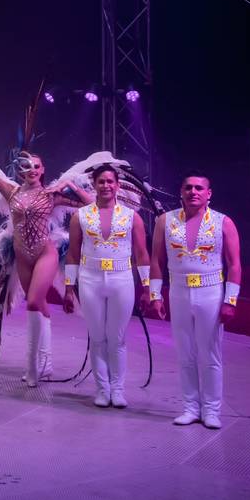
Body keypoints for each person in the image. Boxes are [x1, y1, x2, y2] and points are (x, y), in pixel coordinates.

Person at [0, 141, 91, 386]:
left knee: (32, 301)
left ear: (42, 170)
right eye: (27, 166)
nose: (32, 169)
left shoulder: (51, 195)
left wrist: (69, 185)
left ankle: (32, 368)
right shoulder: (11, 191)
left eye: (37, 166)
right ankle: (46, 364)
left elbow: (88, 203)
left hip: (45, 253)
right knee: (39, 304)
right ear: (20, 169)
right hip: (21, 255)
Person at [149, 173, 242, 429]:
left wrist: (230, 300)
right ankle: (191, 408)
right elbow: (156, 260)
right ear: (181, 191)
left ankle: (211, 410)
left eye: (199, 188)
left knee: (210, 353)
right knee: (185, 353)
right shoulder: (165, 221)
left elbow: (234, 264)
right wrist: (155, 294)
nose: (193, 192)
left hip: (210, 292)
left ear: (208, 193)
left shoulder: (223, 222)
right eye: (188, 187)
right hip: (178, 292)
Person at [63, 164, 151, 408]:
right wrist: (69, 288)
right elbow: (73, 254)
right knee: (97, 336)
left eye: (110, 181)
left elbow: (142, 254)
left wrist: (147, 288)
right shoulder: (80, 216)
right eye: (101, 181)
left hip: (121, 279)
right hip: (90, 280)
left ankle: (118, 389)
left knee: (117, 338)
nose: (106, 186)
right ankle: (102, 389)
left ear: (118, 185)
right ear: (94, 184)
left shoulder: (131, 217)